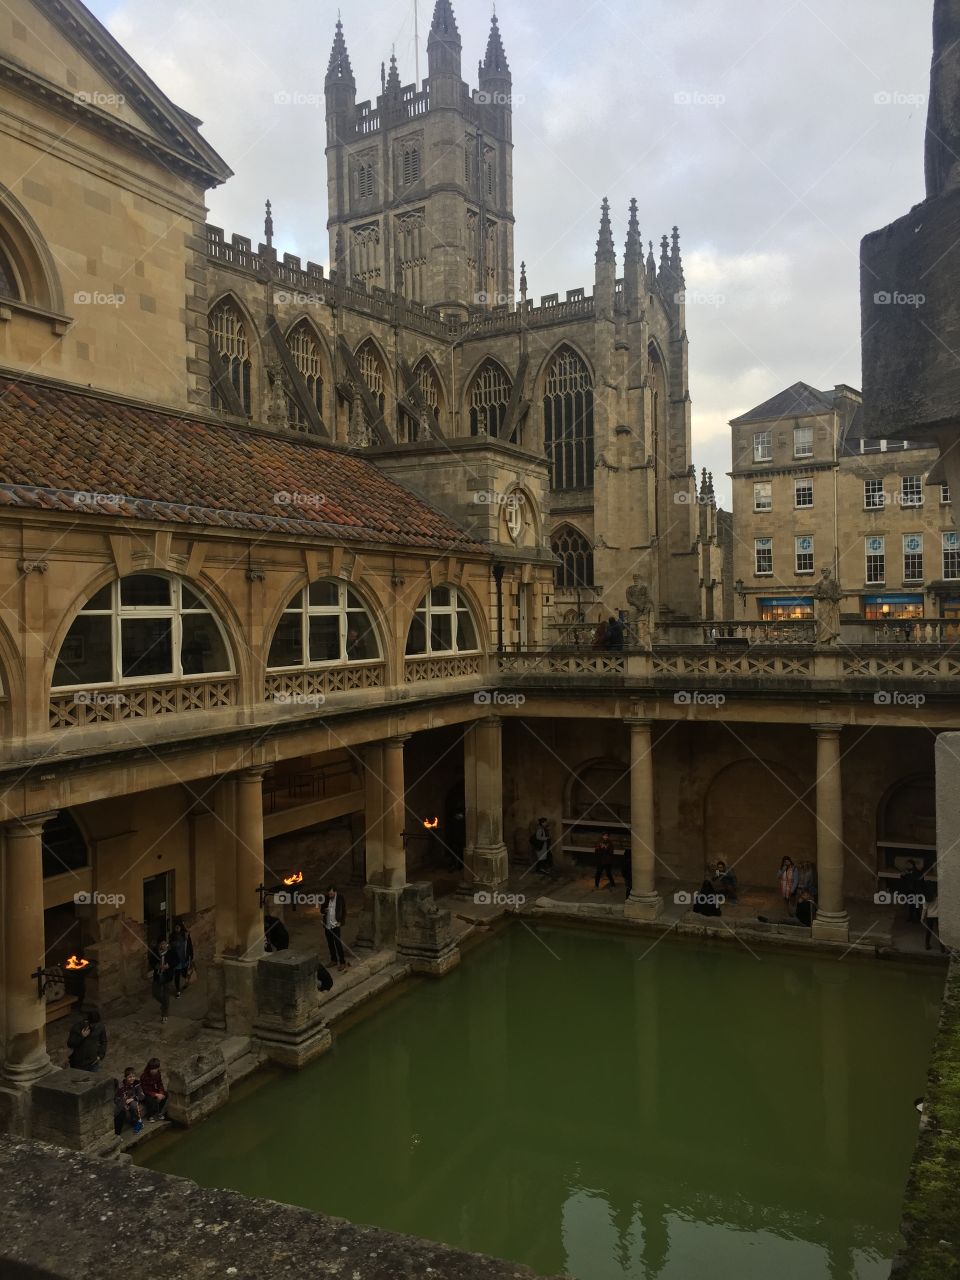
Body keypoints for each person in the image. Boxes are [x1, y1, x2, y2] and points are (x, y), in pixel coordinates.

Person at [324, 885, 348, 972]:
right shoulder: (326, 898)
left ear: (335, 892)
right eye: (329, 894)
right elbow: (321, 909)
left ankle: (342, 962)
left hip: (336, 924)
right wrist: (324, 910)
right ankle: (333, 960)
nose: (330, 895)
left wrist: (341, 921)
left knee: (338, 943)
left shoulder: (340, 898)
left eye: (331, 894)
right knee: (330, 943)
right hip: (328, 925)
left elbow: (344, 910)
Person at [168, 918, 194, 997]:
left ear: (181, 927)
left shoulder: (185, 936)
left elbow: (189, 946)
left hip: (183, 959)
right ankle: (178, 990)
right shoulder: (172, 936)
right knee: (177, 975)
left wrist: (191, 956)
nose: (177, 929)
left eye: (178, 927)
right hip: (176, 960)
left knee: (185, 973)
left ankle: (186, 983)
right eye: (176, 927)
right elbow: (170, 948)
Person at [115, 1067, 145, 1136]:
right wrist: (124, 1103)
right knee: (125, 1113)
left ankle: (139, 1122)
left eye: (133, 1076)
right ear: (125, 1077)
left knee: (133, 1105)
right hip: (124, 1103)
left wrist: (133, 1098)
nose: (132, 1078)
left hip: (134, 1101)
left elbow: (142, 1096)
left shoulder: (137, 1083)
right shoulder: (121, 1087)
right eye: (130, 1077)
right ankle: (135, 1123)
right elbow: (117, 1097)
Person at [150, 938, 174, 1023]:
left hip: (167, 976)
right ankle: (164, 1004)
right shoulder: (155, 953)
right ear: (159, 945)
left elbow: (176, 961)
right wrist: (156, 966)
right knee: (155, 992)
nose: (163, 945)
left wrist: (169, 965)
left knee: (166, 994)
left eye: (164, 943)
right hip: (158, 976)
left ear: (167, 944)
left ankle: (165, 1014)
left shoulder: (171, 952)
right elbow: (151, 962)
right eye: (161, 944)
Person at [140, 1057, 168, 1122]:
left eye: (156, 1069)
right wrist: (156, 1095)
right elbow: (145, 1090)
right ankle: (150, 1115)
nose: (154, 1070)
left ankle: (159, 1112)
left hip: (155, 1091)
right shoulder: (144, 1076)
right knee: (150, 1100)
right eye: (152, 1069)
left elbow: (160, 1084)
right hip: (147, 1093)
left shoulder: (158, 1074)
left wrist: (161, 1093)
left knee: (165, 1094)